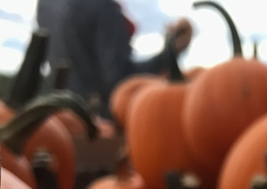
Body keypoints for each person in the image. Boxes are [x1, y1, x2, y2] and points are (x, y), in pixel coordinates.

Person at [36, 0, 193, 115]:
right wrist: (170, 53)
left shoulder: (46, 5)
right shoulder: (103, 8)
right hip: (102, 122)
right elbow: (119, 80)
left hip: (58, 115)